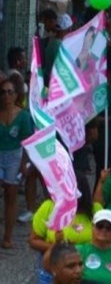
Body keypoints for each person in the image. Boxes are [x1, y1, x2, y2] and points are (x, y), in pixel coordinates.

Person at [30, 174, 99, 284]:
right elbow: (33, 241)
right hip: (52, 267)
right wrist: (59, 246)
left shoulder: (94, 211)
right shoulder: (48, 207)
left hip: (90, 268)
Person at [1, 77, 33, 247]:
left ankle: (7, 236)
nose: (6, 96)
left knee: (10, 196)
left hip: (15, 157)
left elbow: (27, 142)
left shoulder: (23, 116)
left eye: (10, 92)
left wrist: (25, 164)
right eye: (3, 92)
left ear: (15, 95)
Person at [76, 209, 111, 283]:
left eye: (109, 227)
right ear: (92, 226)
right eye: (100, 226)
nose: (104, 230)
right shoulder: (78, 252)